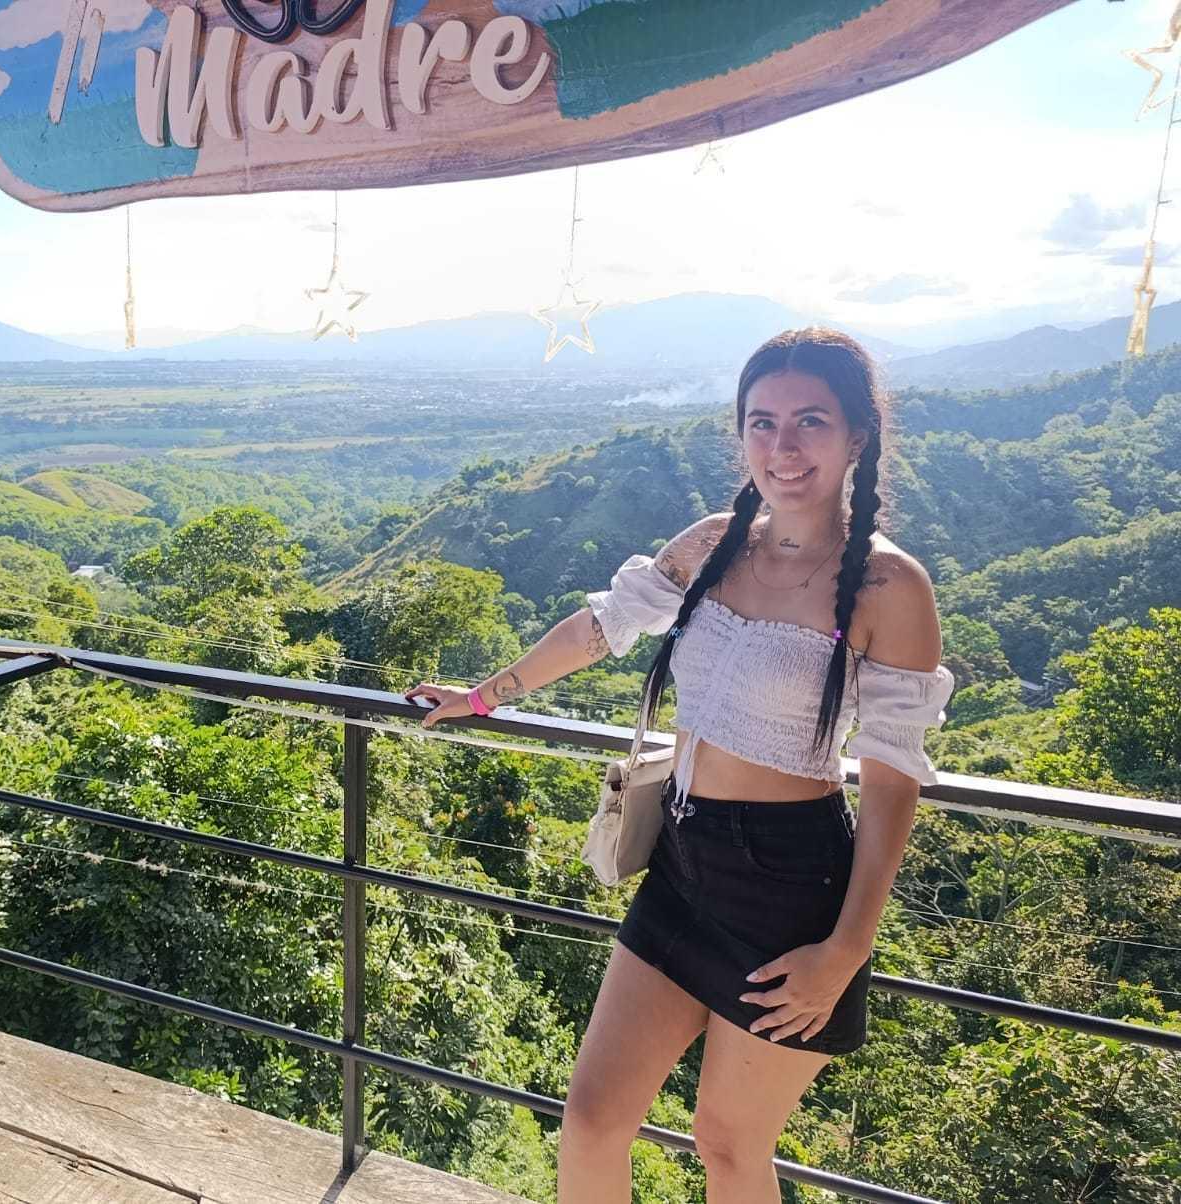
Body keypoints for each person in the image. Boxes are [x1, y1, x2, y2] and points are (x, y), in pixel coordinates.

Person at [404, 327, 954, 1203]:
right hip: (683, 862)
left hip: (790, 891)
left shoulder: (891, 587)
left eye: (810, 421)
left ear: (857, 435)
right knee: (592, 1120)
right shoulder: (713, 544)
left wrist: (847, 948)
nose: (783, 446)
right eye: (763, 422)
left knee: (728, 1146)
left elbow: (891, 783)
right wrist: (483, 695)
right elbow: (602, 628)